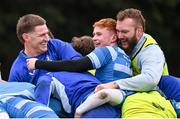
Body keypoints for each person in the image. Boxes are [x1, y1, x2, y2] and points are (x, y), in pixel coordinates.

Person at [26, 18, 177, 118]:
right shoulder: (125, 57)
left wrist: (38, 64)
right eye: (93, 34)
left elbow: (76, 65)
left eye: (99, 34)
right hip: (120, 101)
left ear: (113, 38)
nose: (94, 38)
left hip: (103, 98)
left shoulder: (107, 51)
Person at [8, 14, 82, 116]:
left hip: (76, 98)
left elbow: (79, 64)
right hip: (48, 112)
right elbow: (15, 105)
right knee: (54, 105)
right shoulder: (18, 70)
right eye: (42, 35)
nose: (47, 38)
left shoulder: (55, 45)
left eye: (47, 33)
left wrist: (41, 64)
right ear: (26, 37)